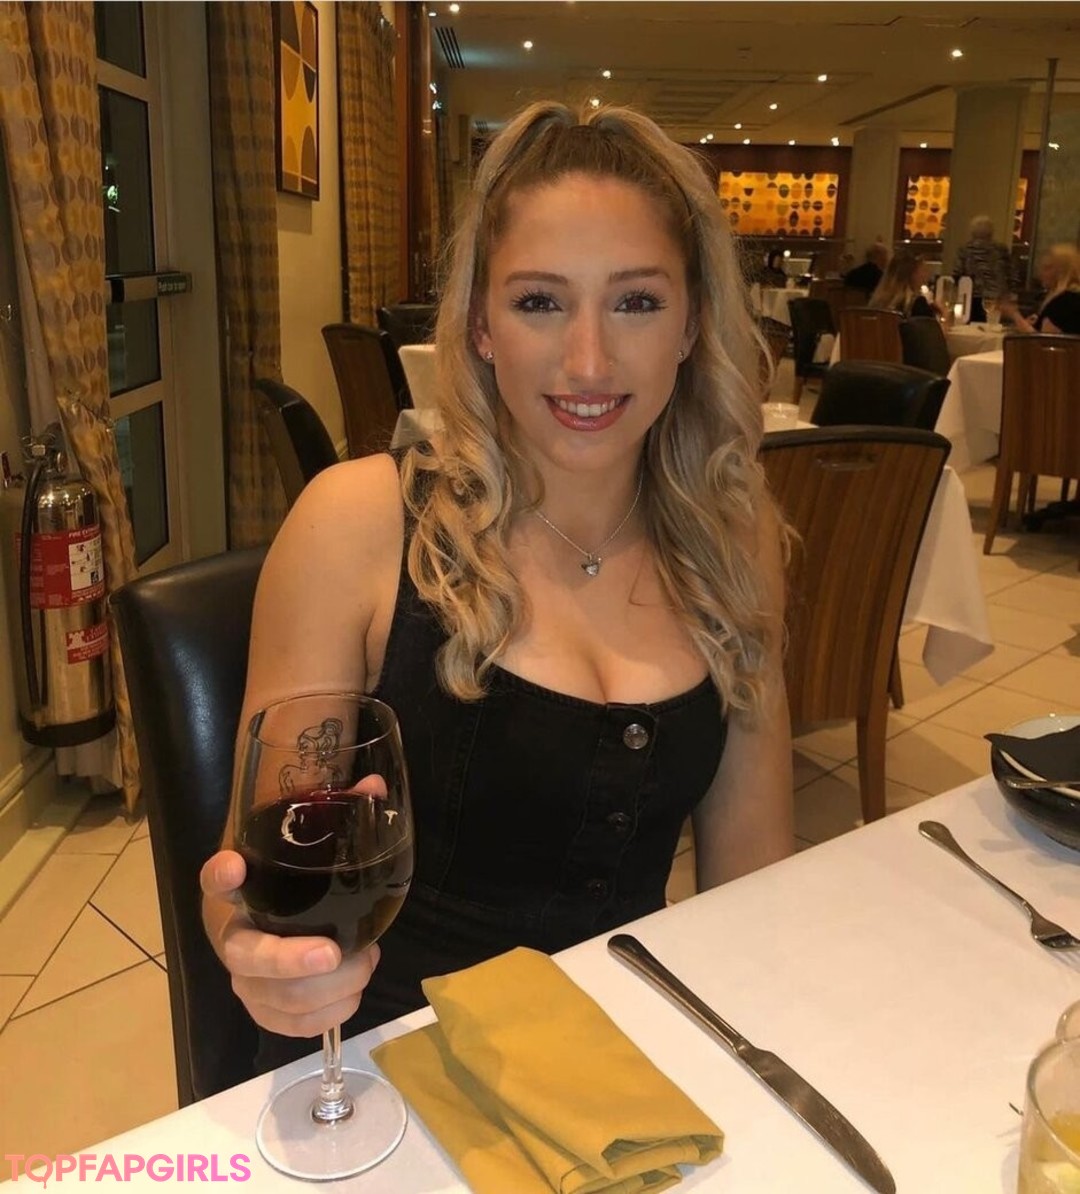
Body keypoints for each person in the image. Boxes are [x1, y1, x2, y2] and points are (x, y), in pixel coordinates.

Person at [200, 101, 795, 1070]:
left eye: (637, 303)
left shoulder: (735, 534)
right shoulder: (356, 525)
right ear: (480, 325)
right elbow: (252, 874)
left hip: (626, 1064)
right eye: (539, 303)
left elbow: (754, 878)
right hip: (387, 1066)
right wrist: (258, 952)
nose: (589, 361)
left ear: (692, 324)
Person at [1000, 243, 1080, 335]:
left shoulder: (1064, 301)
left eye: (1047, 268)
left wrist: (1014, 315)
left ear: (1062, 271)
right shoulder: (1072, 296)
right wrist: (1037, 322)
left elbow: (1042, 340)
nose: (1040, 273)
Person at [953, 215, 1011, 323]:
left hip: (972, 297)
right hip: (996, 298)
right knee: (993, 325)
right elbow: (1010, 274)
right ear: (991, 232)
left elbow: (957, 274)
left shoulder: (965, 249)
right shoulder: (1001, 250)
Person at [869, 251, 940, 318]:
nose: (926, 275)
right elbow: (932, 327)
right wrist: (942, 313)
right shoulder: (916, 305)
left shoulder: (877, 304)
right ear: (913, 274)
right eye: (922, 271)